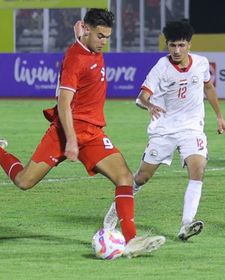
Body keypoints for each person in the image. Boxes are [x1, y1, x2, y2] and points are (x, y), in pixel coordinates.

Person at [0, 8, 165, 258]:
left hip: (93, 132)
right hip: (65, 132)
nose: (104, 43)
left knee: (124, 177)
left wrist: (80, 36)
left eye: (107, 37)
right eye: (100, 36)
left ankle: (131, 240)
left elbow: (83, 43)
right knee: (24, 181)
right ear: (87, 30)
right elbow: (64, 103)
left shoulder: (87, 45)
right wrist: (72, 142)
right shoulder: (75, 59)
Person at [102, 20, 225, 242]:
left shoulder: (201, 63)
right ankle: (113, 215)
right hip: (164, 129)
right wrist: (150, 106)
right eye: (172, 46)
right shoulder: (161, 67)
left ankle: (186, 224)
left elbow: (208, 87)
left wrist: (219, 116)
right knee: (141, 177)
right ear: (167, 45)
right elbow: (142, 96)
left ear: (189, 44)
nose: (176, 50)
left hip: (191, 128)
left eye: (181, 45)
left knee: (197, 169)